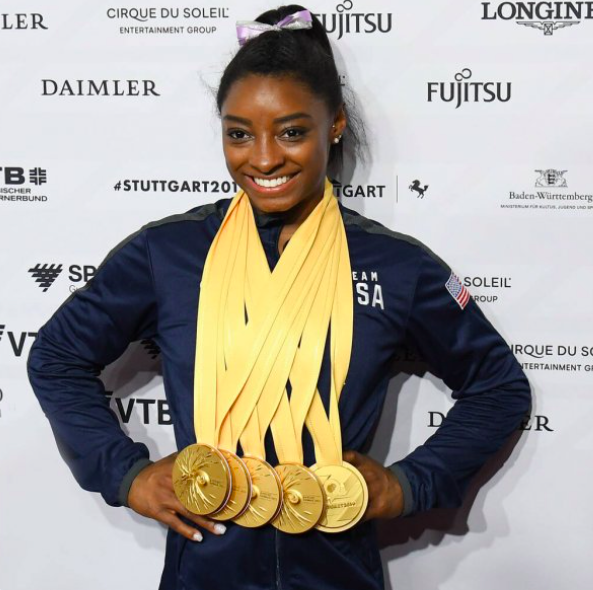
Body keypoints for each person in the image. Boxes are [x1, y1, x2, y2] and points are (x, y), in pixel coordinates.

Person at [27, 5, 531, 590]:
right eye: (239, 133)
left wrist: (408, 483)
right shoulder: (168, 253)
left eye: (291, 131)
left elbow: (498, 387)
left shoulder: (397, 266)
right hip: (204, 570)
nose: (263, 158)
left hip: (338, 571)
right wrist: (127, 475)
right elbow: (56, 357)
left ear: (334, 123)